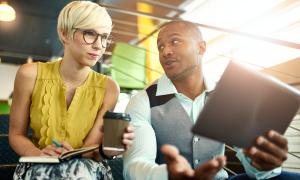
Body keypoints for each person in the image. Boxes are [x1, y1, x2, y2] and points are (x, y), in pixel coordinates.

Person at [123, 20, 298, 180]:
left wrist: (263, 165)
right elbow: (134, 165)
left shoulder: (227, 97)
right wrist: (168, 175)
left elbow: (253, 166)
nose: (165, 51)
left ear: (201, 48)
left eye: (175, 41)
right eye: (160, 47)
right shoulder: (142, 101)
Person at [9, 1, 134, 179]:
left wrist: (111, 148)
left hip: (86, 168)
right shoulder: (29, 74)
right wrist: (38, 154)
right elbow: (16, 135)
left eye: (104, 37)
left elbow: (91, 151)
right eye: (90, 34)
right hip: (39, 163)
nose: (99, 45)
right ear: (64, 33)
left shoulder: (109, 87)